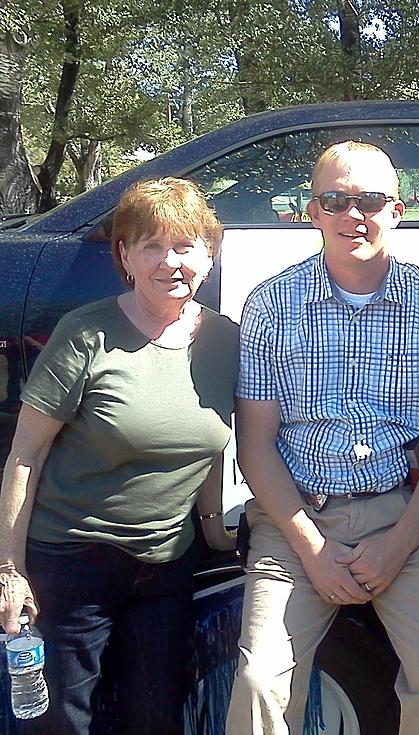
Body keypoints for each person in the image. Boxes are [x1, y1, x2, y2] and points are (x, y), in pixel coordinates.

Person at [226, 141, 419, 735]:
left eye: (369, 200)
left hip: (408, 517)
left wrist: (398, 544)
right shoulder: (270, 304)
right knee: (260, 681)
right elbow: (255, 443)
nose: (352, 215)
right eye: (335, 200)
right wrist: (311, 548)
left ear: (399, 210)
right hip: (297, 521)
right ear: (311, 212)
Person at [0, 177, 238, 734]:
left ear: (209, 254)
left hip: (167, 565)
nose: (169, 262)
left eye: (184, 246)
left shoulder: (226, 339)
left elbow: (203, 446)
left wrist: (215, 531)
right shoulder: (85, 333)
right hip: (72, 562)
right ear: (124, 256)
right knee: (59, 720)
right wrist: (9, 573)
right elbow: (24, 458)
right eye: (150, 246)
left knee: (154, 717)